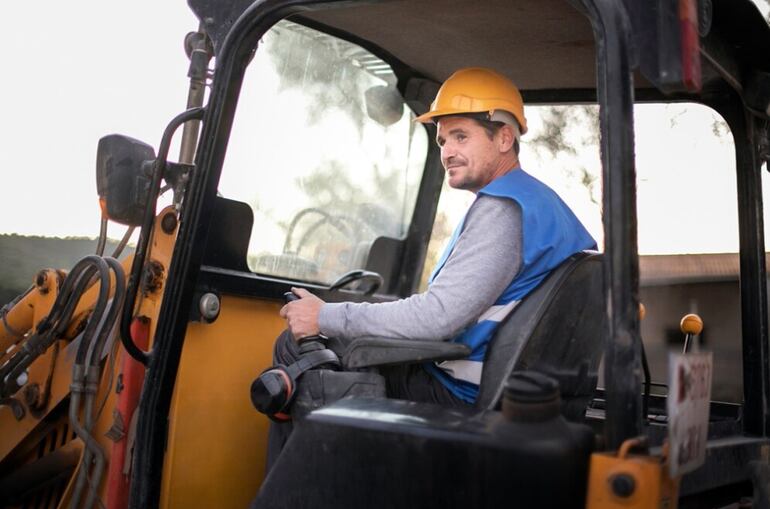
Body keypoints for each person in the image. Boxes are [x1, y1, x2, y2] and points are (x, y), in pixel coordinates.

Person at [267, 67, 595, 457]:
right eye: (442, 141)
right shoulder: (540, 205)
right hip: (499, 391)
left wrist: (325, 317)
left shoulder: (503, 210)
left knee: (296, 348)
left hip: (457, 395)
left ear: (504, 137)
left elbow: (438, 318)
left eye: (461, 136)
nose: (447, 152)